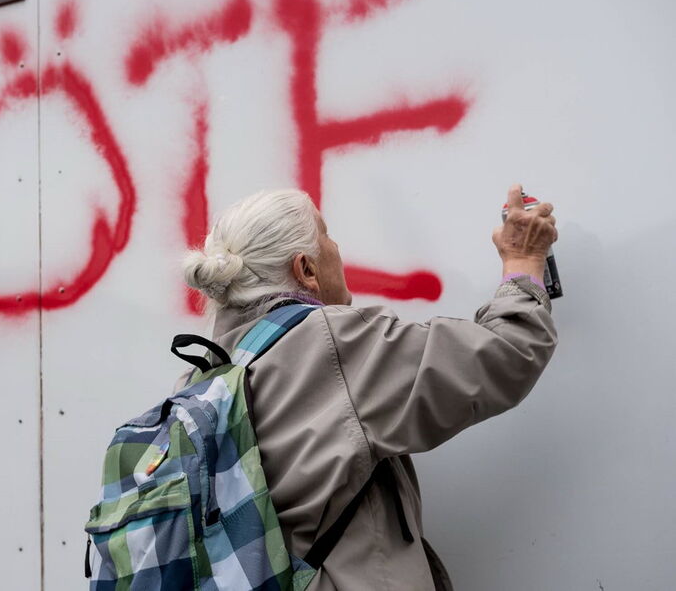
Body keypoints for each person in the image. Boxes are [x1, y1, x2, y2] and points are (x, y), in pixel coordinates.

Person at [180, 185, 558, 590]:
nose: (337, 246)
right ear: (306, 269)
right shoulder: (328, 342)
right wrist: (524, 261)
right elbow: (505, 355)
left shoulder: (202, 378)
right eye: (327, 235)